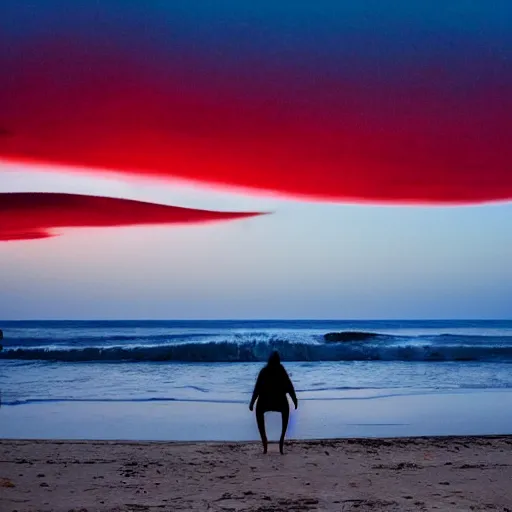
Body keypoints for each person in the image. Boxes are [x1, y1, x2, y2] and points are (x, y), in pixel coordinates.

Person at [249, 351, 298, 454]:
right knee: (286, 409)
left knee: (259, 411)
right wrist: (294, 399)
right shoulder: (281, 370)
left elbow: (257, 389)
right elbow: (289, 387)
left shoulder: (264, 371)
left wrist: (252, 403)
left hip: (265, 401)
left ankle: (266, 444)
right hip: (279, 401)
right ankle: (279, 443)